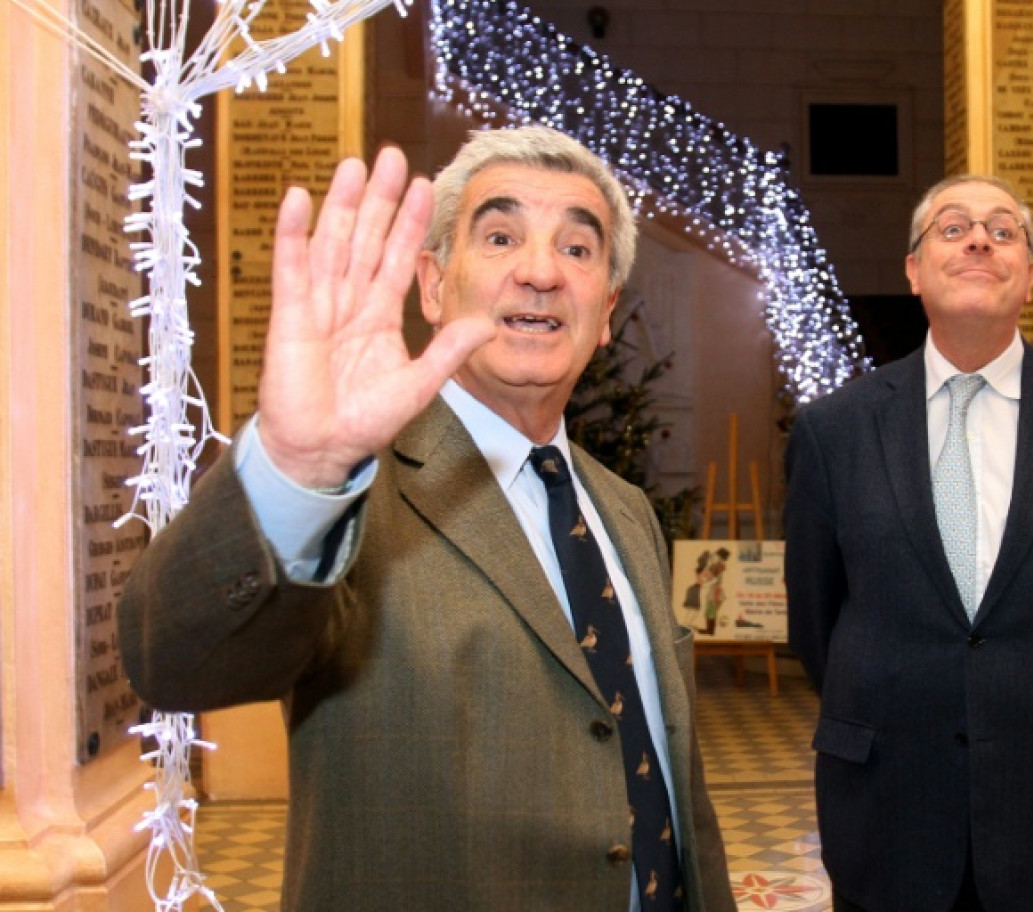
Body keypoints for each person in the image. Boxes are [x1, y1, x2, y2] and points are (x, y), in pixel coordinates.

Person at [119, 126, 735, 912]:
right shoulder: (351, 495)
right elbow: (170, 662)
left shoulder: (625, 510)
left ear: (606, 310)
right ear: (434, 285)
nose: (541, 272)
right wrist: (299, 475)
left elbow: (674, 778)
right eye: (501, 235)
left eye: (578, 250)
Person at [783, 174, 1033, 912]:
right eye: (953, 227)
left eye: (1003, 231)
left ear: (1029, 276)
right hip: (887, 813)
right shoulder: (833, 431)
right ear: (912, 270)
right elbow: (816, 621)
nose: (978, 240)